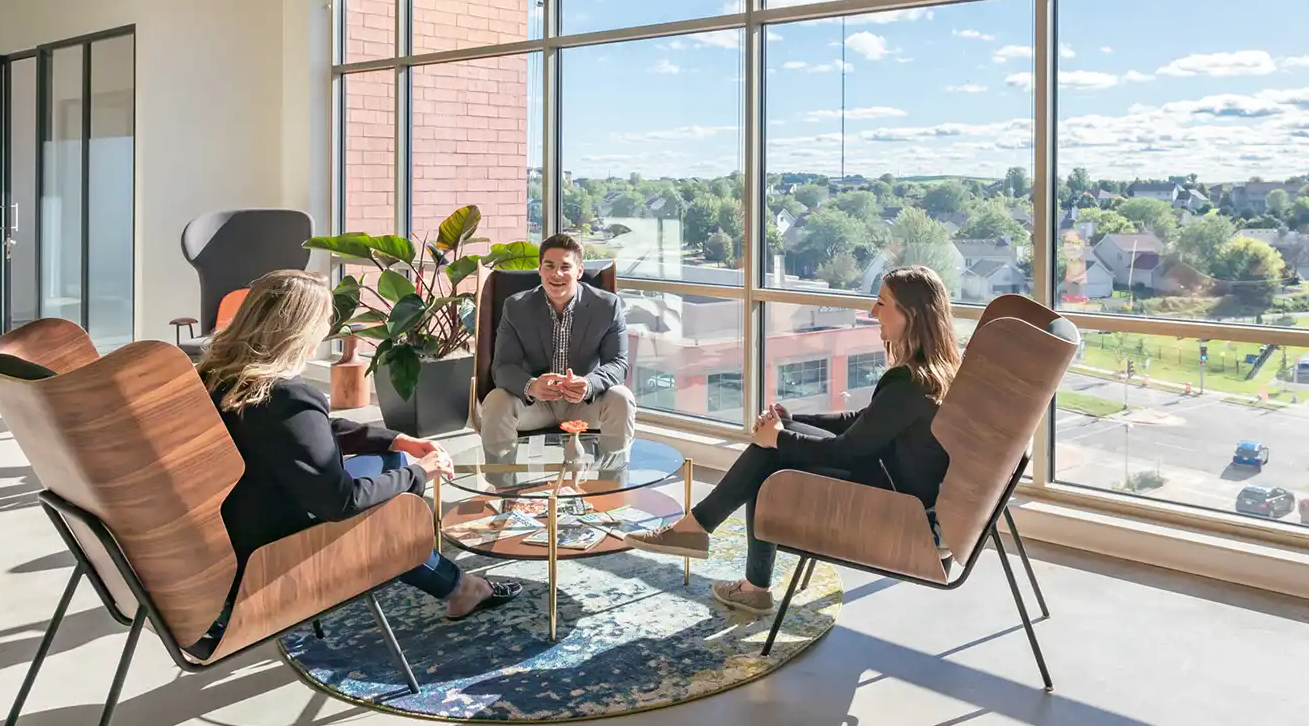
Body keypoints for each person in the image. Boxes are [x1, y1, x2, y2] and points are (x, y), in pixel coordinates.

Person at [195, 269, 518, 655]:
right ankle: (461, 587)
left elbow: (303, 434)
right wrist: (419, 473)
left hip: (243, 522)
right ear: (297, 328)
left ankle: (456, 585)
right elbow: (339, 501)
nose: (325, 330)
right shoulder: (286, 397)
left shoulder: (219, 377)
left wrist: (396, 438)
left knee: (389, 458)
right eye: (323, 320)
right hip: (281, 548)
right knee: (394, 502)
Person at [628, 265, 959, 613]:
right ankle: (709, 542)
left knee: (770, 457)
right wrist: (789, 421)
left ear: (912, 313)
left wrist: (778, 440)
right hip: (893, 481)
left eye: (881, 303)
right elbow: (860, 422)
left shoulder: (910, 384)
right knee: (772, 444)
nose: (872, 312)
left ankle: (709, 541)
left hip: (898, 510)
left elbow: (847, 451)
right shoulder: (930, 374)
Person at [480, 233, 635, 461]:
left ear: (579, 271)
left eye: (565, 267)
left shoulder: (607, 306)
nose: (557, 274)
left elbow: (618, 364)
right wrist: (531, 386)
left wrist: (589, 384)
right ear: (539, 269)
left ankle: (610, 485)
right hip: (535, 405)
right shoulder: (515, 307)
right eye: (549, 266)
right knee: (496, 400)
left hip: (585, 403)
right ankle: (504, 489)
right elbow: (502, 367)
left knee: (621, 397)